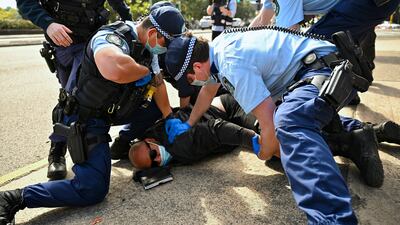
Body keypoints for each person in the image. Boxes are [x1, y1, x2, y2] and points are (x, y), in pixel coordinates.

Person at [163, 28, 387, 224]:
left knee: (289, 124)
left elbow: (270, 127)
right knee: (289, 126)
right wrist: (190, 123)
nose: (193, 84)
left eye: (190, 79)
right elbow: (208, 90)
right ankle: (356, 136)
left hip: (326, 71)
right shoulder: (218, 49)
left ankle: (332, 219)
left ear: (197, 66)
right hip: (315, 70)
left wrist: (264, 151)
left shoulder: (231, 64)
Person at [0, 6, 185, 225]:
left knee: (156, 108)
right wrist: (142, 72)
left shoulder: (147, 48)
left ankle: (122, 143)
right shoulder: (112, 37)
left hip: (110, 112)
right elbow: (113, 68)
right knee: (93, 189)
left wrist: (169, 116)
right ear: (154, 34)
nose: (165, 50)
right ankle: (13, 198)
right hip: (86, 119)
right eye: (167, 43)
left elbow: (158, 83)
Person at [16, 0, 133, 180]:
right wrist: (47, 23)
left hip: (92, 41)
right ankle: (62, 149)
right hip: (63, 44)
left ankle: (58, 151)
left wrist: (129, 23)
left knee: (75, 96)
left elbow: (118, 3)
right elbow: (26, 2)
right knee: (68, 97)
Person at [130, 93, 400, 170]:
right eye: (153, 165)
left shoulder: (179, 142)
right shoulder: (160, 137)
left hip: (232, 109)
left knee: (277, 144)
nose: (158, 160)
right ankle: (375, 131)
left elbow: (221, 130)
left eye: (153, 154)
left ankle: (350, 143)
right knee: (288, 126)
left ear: (151, 141)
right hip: (228, 104)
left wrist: (259, 144)